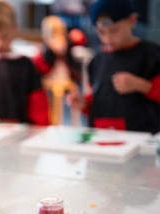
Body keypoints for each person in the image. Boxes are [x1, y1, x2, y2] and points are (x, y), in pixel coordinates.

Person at [68, 0, 160, 134]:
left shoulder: (151, 55)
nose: (108, 39)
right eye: (101, 32)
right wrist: (83, 104)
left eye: (114, 30)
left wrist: (142, 85)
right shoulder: (97, 61)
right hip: (101, 136)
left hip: (140, 137)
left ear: (132, 20)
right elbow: (98, 99)